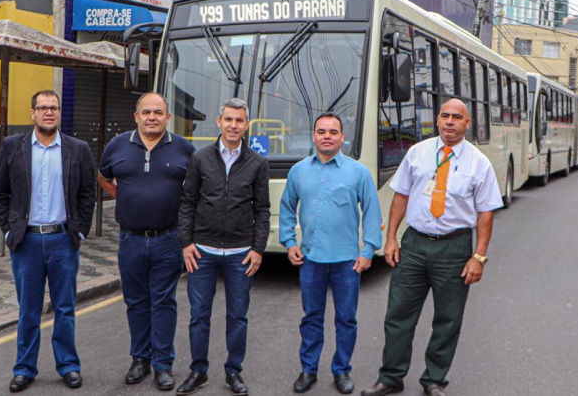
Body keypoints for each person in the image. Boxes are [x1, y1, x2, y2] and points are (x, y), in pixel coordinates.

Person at [361, 99, 502, 396]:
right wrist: (391, 239)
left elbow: (485, 212)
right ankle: (390, 377)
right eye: (445, 116)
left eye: (457, 117)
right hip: (414, 244)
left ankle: (434, 380)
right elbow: (401, 195)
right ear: (437, 120)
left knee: (448, 319)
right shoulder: (418, 153)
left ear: (467, 123)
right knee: (398, 315)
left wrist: (479, 256)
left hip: (454, 248)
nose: (450, 122)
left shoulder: (479, 162)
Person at [0, 90, 96, 393]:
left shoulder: (78, 149)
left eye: (53, 108)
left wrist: (81, 232)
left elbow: (87, 195)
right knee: (28, 310)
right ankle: (24, 369)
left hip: (64, 240)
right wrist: (10, 233)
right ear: (32, 113)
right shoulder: (13, 147)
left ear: (59, 112)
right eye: (42, 108)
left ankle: (68, 366)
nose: (48, 112)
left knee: (65, 308)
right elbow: (0, 194)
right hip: (27, 243)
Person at [279, 113, 383, 395]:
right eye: (322, 131)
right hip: (311, 259)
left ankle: (342, 370)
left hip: (347, 262)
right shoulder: (299, 171)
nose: (327, 136)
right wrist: (289, 243)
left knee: (346, 318)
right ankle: (308, 369)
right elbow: (287, 208)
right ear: (313, 136)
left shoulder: (358, 172)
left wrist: (368, 250)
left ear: (342, 138)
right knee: (311, 316)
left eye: (333, 132)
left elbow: (372, 211)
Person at [98, 92, 195, 390]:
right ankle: (140, 359)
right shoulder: (117, 146)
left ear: (168, 117)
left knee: (164, 302)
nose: (152, 117)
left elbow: (194, 190)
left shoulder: (184, 149)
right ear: (136, 116)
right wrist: (123, 197)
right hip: (130, 240)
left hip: (168, 239)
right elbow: (103, 176)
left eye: (158, 112)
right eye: (146, 112)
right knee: (136, 302)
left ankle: (163, 364)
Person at [176, 98, 270, 396]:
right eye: (228, 119)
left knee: (238, 316)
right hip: (202, 251)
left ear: (246, 125)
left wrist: (257, 248)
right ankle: (198, 370)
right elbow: (187, 203)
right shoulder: (200, 158)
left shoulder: (258, 163)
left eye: (239, 121)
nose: (233, 125)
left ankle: (234, 372)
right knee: (199, 314)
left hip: (241, 254)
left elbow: (263, 210)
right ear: (219, 122)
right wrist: (186, 242)